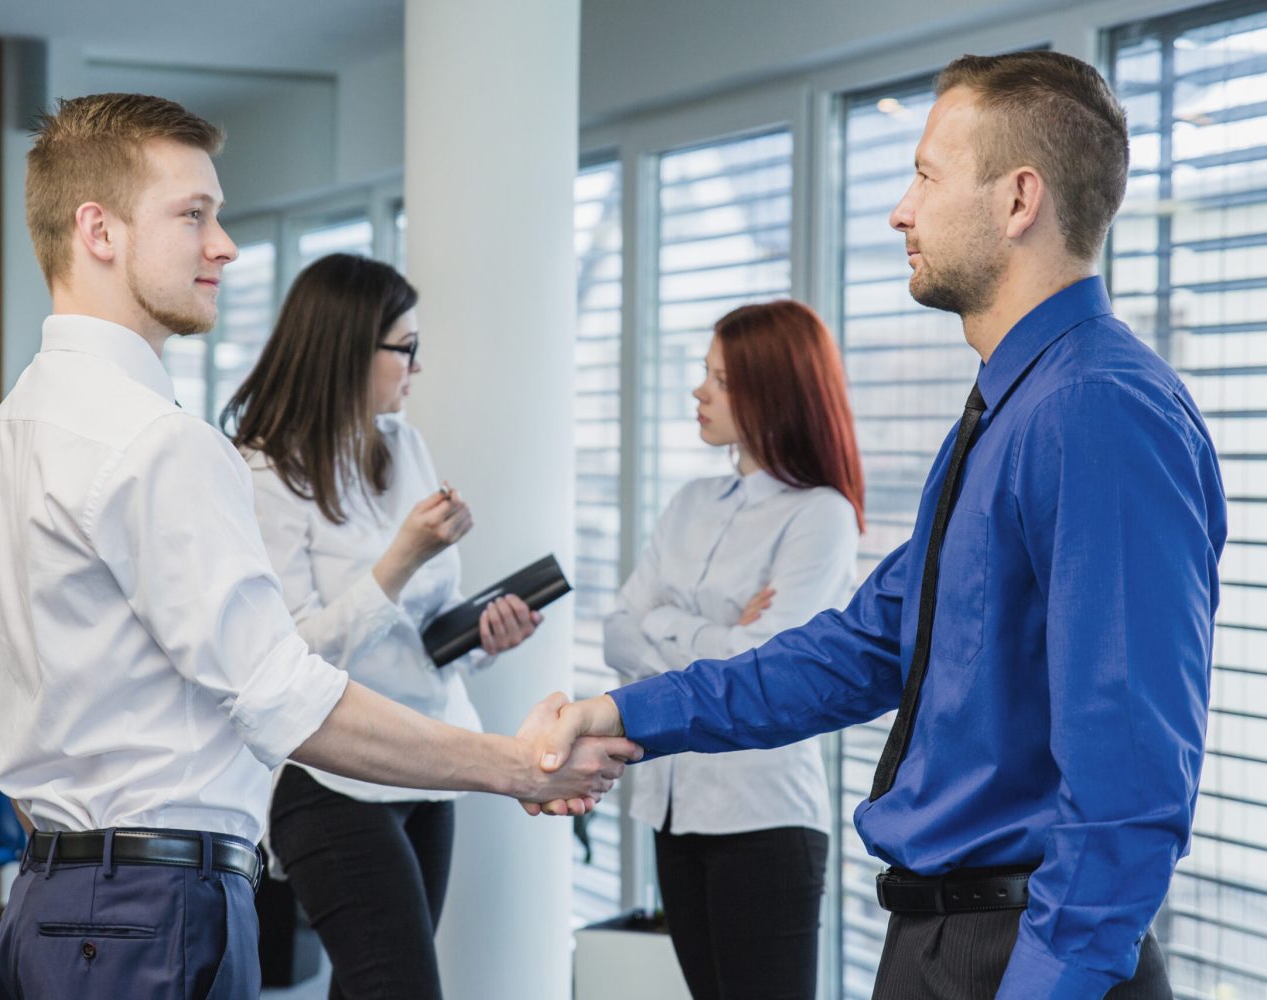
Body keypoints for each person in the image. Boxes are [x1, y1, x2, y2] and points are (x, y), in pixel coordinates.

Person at [533, 51, 1226, 1000]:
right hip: (944, 940)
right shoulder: (1010, 411)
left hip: (1022, 952)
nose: (901, 210)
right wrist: (624, 716)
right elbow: (858, 650)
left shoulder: (1098, 411)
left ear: (1018, 200)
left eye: (927, 177)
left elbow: (1129, 794)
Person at [0, 93, 637, 1000]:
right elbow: (283, 695)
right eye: (193, 214)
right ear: (99, 231)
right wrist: (517, 767)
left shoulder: (4, 437)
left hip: (50, 902)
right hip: (149, 908)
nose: (225, 246)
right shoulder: (157, 443)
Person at [222, 252, 542, 1000]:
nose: (417, 367)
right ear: (347, 349)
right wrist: (400, 559)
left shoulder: (403, 445)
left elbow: (426, 620)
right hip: (329, 774)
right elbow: (288, 657)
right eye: (406, 347)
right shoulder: (263, 474)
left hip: (426, 758)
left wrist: (482, 637)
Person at [604, 298, 864, 1000]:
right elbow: (616, 632)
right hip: (672, 808)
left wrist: (666, 620)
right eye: (705, 374)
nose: (699, 392)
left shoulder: (821, 516)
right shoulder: (690, 501)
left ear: (772, 390)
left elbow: (767, 670)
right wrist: (711, 635)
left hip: (762, 816)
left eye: (719, 379)